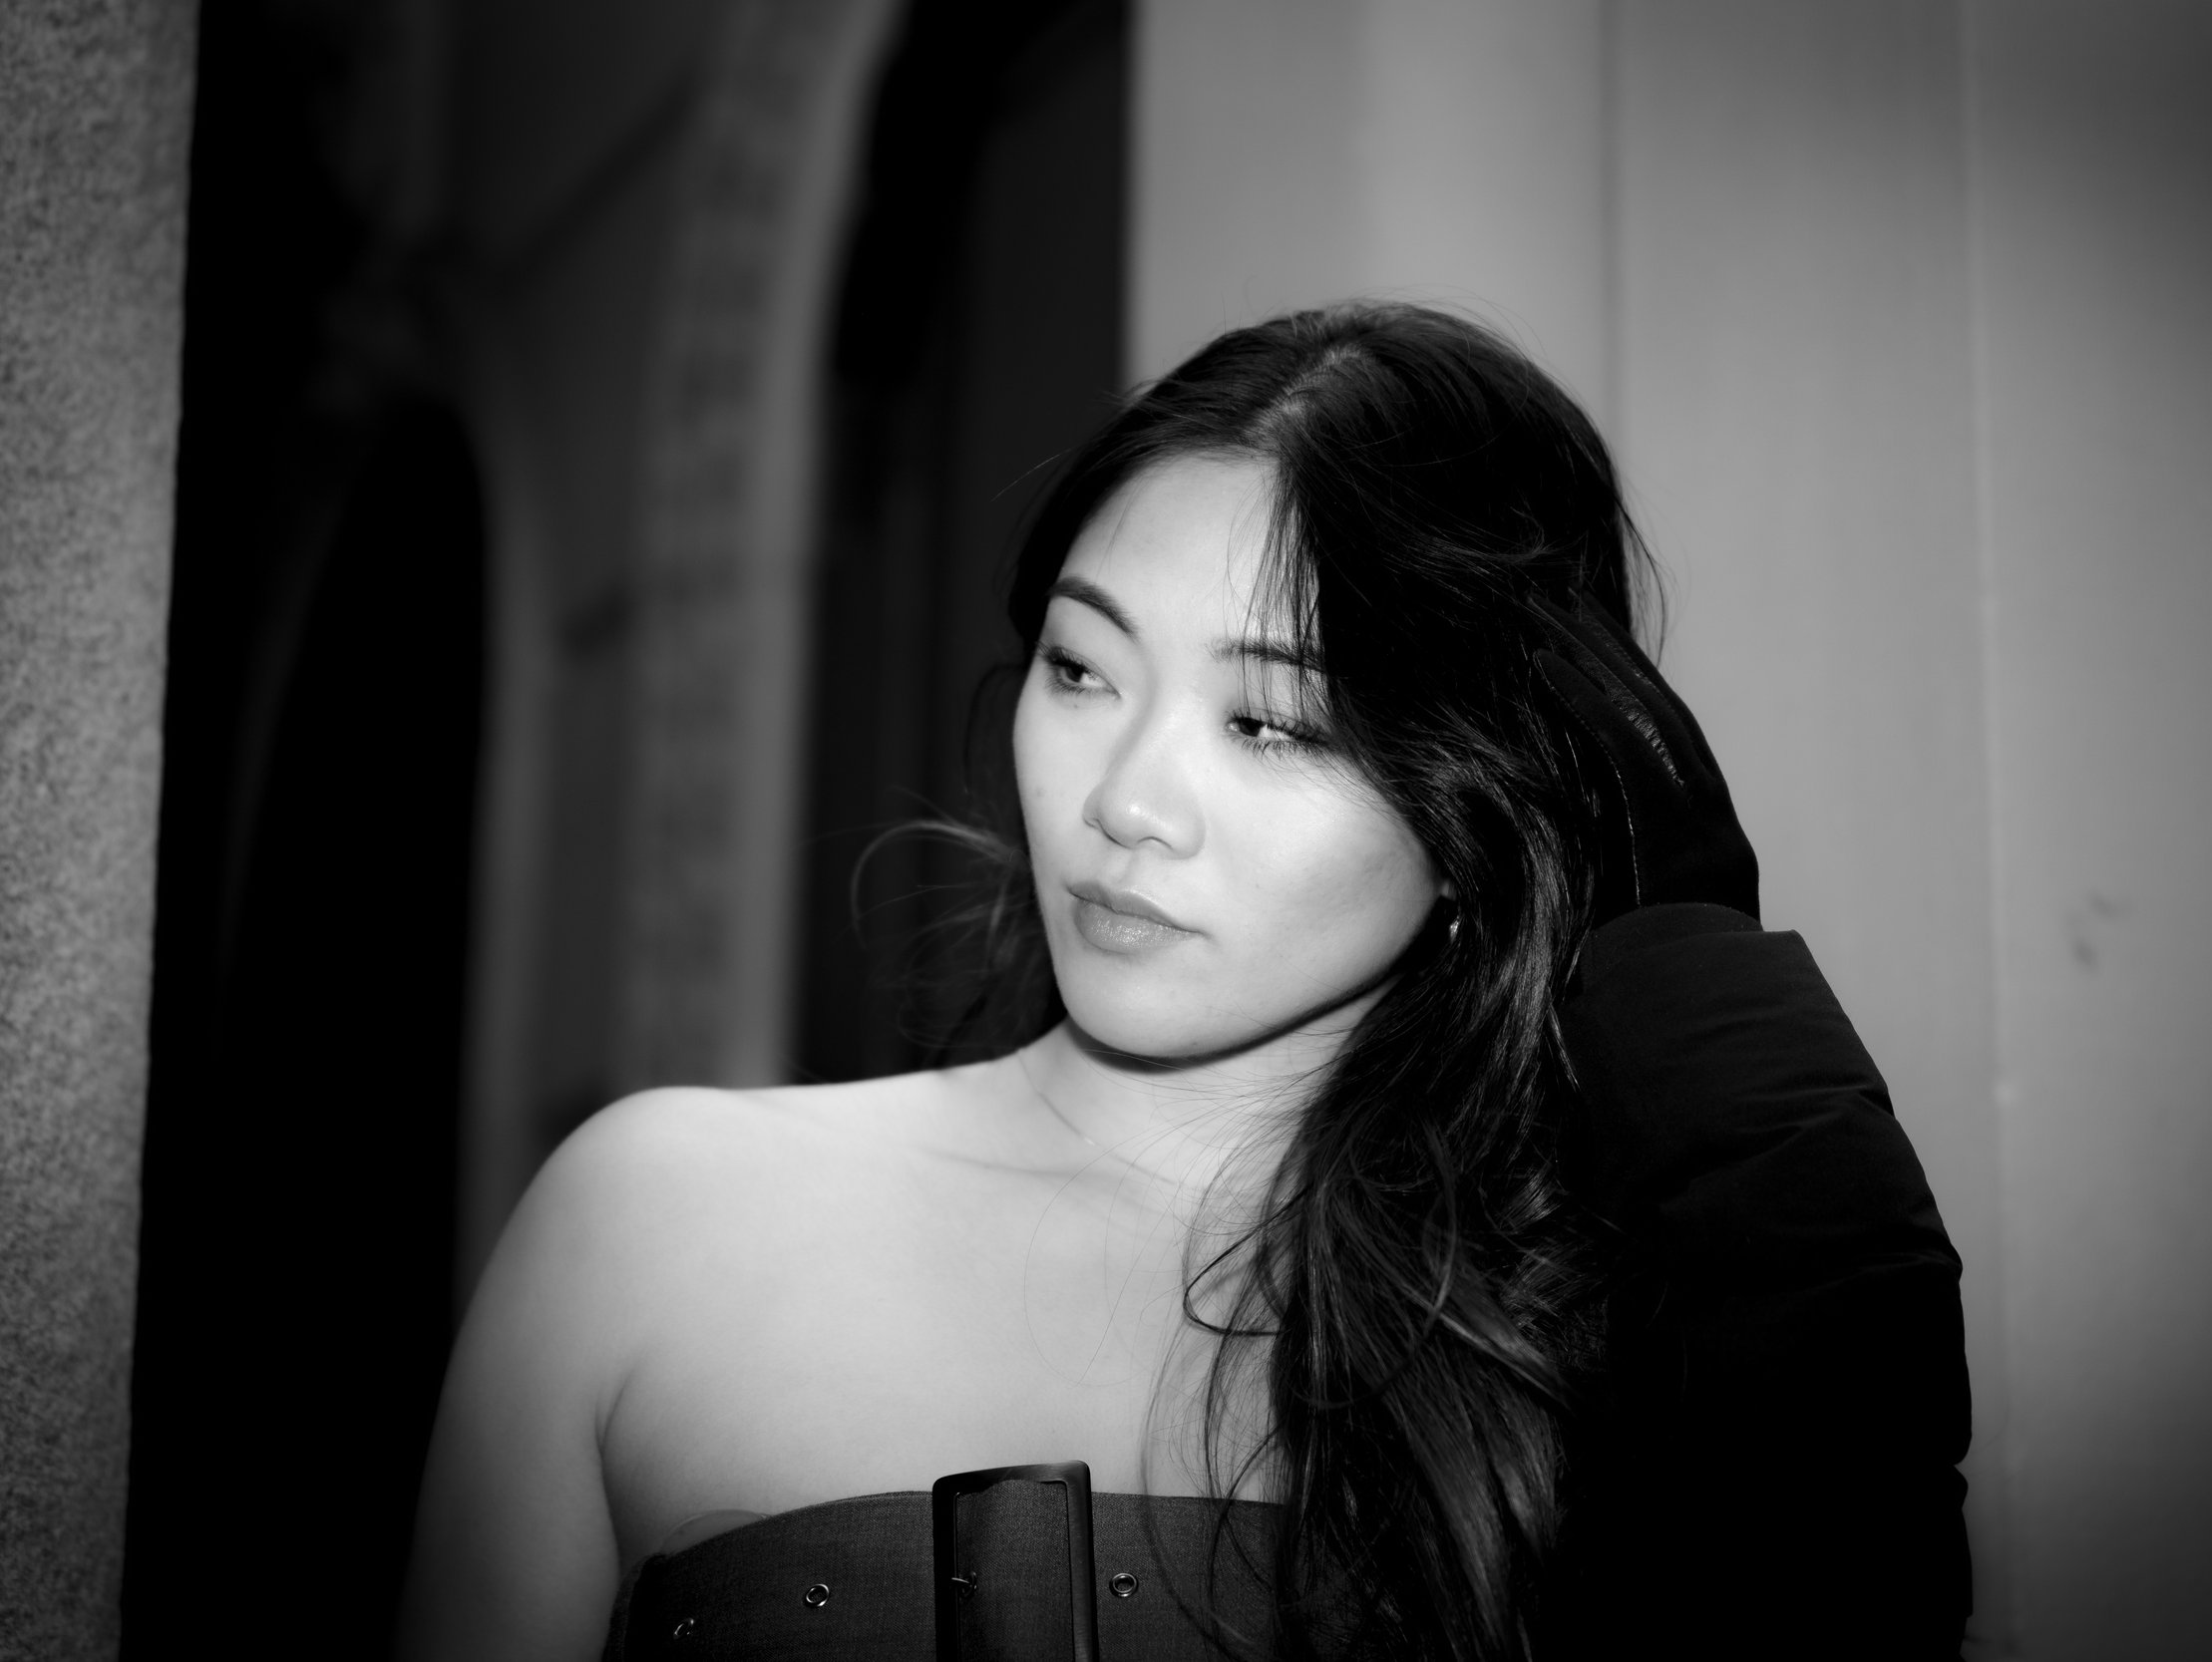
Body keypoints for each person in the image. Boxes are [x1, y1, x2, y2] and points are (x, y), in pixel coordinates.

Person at [397, 302, 1971, 1662]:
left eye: (1271, 722)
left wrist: (1685, 955)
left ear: (1484, 796)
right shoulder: (658, 1218)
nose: (1125, 800)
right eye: (1082, 668)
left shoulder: (1579, 1337)